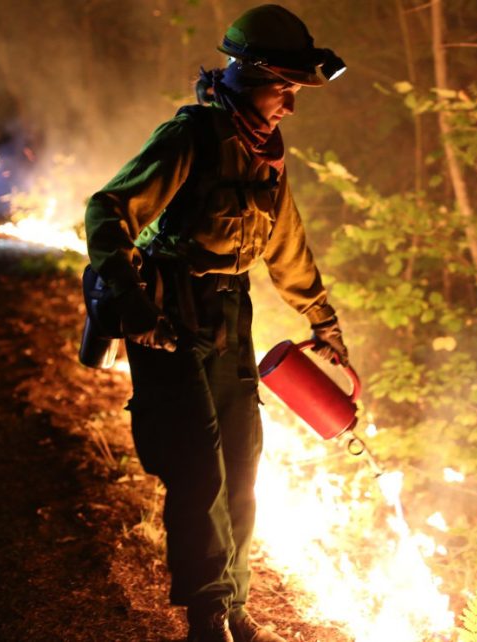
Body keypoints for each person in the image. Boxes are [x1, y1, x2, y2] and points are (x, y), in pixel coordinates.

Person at [84, 6, 349, 642]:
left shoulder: (269, 157)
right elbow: (106, 209)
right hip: (171, 312)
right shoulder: (191, 137)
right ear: (247, 74)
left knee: (242, 461)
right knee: (198, 467)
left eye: (294, 90)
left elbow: (288, 249)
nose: (289, 103)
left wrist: (324, 321)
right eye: (282, 87)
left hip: (234, 311)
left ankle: (234, 606)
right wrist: (133, 302)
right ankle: (206, 616)